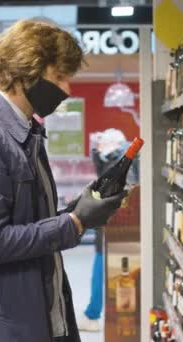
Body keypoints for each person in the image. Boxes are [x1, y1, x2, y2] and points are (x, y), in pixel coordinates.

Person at [0, 20, 126, 342]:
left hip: (34, 311)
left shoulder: (29, 136)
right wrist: (74, 223)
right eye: (58, 77)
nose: (67, 89)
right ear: (28, 71)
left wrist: (79, 209)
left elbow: (29, 224)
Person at [78, 129, 139, 332]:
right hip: (120, 226)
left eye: (101, 144)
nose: (98, 148)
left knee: (114, 270)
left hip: (114, 225)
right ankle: (116, 315)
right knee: (120, 271)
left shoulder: (116, 160)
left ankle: (97, 314)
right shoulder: (121, 158)